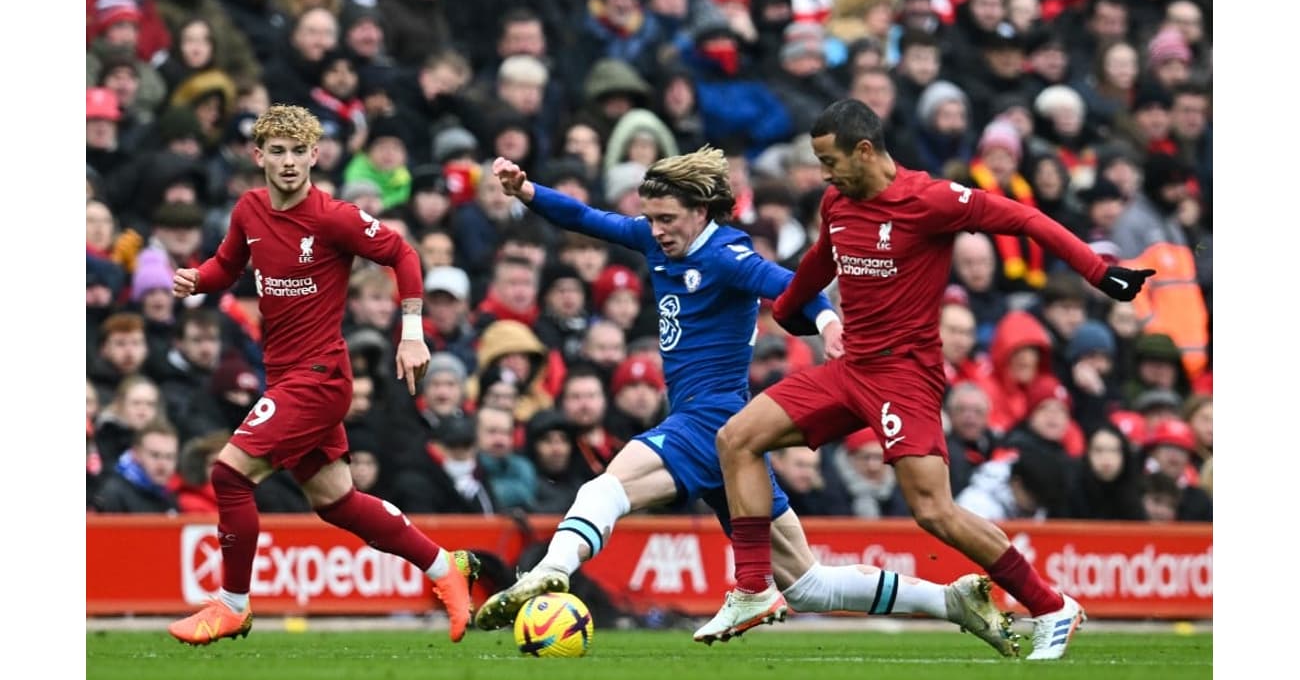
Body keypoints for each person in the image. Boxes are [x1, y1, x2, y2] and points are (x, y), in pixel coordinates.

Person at [473, 147, 1019, 658]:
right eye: (652, 218)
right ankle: (951, 600)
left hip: (707, 419)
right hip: (728, 436)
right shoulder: (653, 240)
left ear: (702, 210)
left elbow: (787, 286)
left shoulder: (728, 253)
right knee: (807, 585)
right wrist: (528, 192)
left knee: (604, 488)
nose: (656, 230)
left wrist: (827, 321)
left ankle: (551, 569)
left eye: (667, 219)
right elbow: (587, 219)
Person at [700, 99, 1156, 660]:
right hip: (849, 369)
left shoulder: (930, 200)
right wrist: (793, 307)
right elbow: (824, 258)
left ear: (864, 150)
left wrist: (1097, 269)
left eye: (829, 160)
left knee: (934, 512)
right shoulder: (838, 202)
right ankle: (752, 589)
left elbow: (1023, 218)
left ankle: (1051, 605)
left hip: (904, 375)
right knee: (736, 438)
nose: (824, 173)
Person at [165, 104, 477, 646]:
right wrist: (199, 279)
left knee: (229, 475)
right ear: (258, 156)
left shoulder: (334, 217)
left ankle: (232, 605)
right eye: (277, 152)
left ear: (316, 155)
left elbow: (402, 253)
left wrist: (410, 330)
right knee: (339, 503)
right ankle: (444, 568)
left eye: (298, 152)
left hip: (320, 377)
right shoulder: (248, 209)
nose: (288, 163)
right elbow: (229, 264)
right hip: (284, 376)